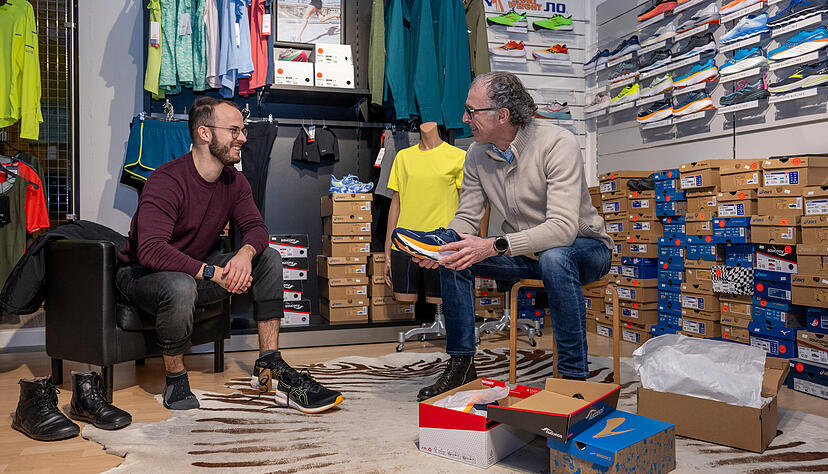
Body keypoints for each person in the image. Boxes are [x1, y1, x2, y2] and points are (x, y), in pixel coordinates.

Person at [117, 97, 342, 413]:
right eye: (234, 130)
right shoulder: (166, 180)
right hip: (142, 275)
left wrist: (245, 255)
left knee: (269, 258)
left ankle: (269, 364)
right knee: (181, 285)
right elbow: (151, 250)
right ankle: (175, 378)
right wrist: (212, 272)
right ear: (205, 133)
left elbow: (257, 229)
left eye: (243, 130)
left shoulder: (234, 181)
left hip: (194, 273)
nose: (244, 138)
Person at [411, 71, 613, 401]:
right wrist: (442, 247)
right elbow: (467, 215)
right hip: (527, 252)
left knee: (556, 256)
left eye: (471, 111)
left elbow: (562, 229)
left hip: (584, 249)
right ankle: (462, 364)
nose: (464, 118)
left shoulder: (556, 144)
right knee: (457, 258)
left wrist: (492, 246)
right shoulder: (477, 154)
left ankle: (574, 381)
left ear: (501, 115)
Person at [384, 122, 466, 305]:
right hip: (404, 245)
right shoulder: (403, 157)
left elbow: (469, 207)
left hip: (442, 247)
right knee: (405, 299)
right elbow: (396, 203)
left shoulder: (458, 157)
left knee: (439, 302)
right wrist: (387, 251)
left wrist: (471, 243)